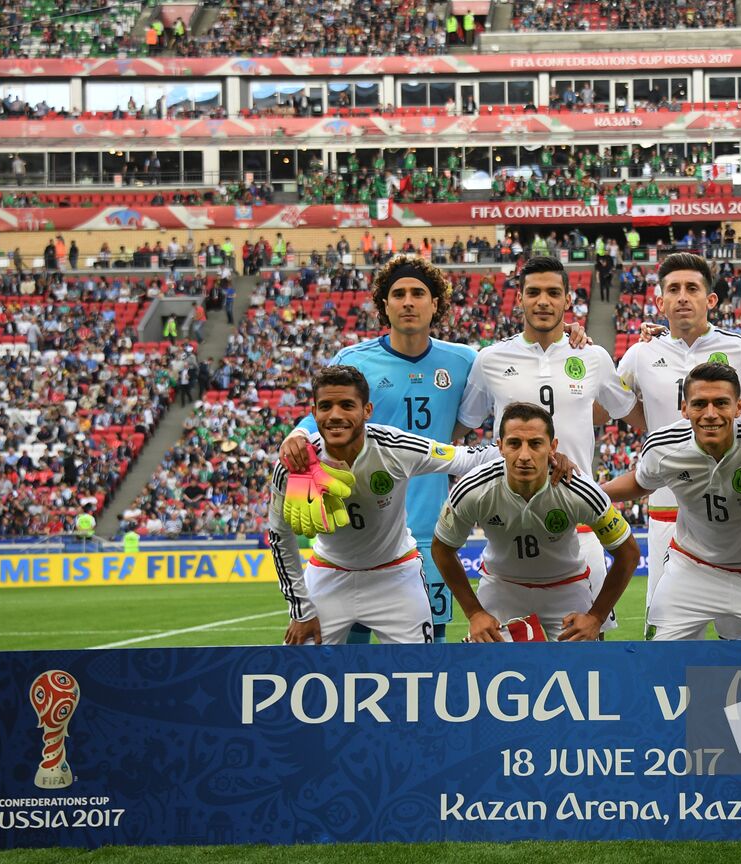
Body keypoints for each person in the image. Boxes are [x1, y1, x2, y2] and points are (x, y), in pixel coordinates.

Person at [279, 255, 478, 641]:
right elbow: (319, 418)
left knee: (425, 656)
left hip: (429, 534)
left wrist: (571, 335)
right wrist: (296, 435)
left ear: (435, 303)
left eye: (418, 293)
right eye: (398, 293)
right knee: (346, 661)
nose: (408, 301)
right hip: (360, 533)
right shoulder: (354, 361)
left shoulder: (464, 360)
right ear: (383, 304)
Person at [617, 252, 741, 636]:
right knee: (663, 638)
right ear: (659, 300)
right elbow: (611, 407)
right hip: (667, 511)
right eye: (673, 289)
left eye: (692, 288)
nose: (682, 297)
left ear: (710, 300)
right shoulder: (641, 352)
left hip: (739, 513)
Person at [267, 365, 495, 646]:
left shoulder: (393, 447)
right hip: (328, 575)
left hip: (395, 575)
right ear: (314, 414)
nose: (335, 415)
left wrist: (541, 452)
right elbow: (279, 537)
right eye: (325, 406)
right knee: (303, 675)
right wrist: (300, 610)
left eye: (347, 405)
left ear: (367, 410)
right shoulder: (295, 464)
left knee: (420, 673)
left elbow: (465, 458)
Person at [458, 256, 641, 597]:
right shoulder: (491, 359)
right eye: (534, 292)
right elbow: (460, 428)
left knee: (585, 643)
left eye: (554, 293)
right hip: (510, 524)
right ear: (520, 297)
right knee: (505, 645)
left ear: (568, 300)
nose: (543, 301)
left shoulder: (593, 357)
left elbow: (629, 414)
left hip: (581, 524)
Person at [603, 363, 741, 641]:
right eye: (700, 404)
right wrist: (592, 493)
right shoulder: (663, 445)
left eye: (721, 403)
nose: (710, 414)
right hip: (691, 568)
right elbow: (640, 482)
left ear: (739, 407)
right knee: (656, 661)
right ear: (685, 409)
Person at [434, 403, 640, 642]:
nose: (524, 456)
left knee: (580, 674)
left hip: (566, 588)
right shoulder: (473, 489)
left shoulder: (580, 490)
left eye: (535, 444)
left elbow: (629, 553)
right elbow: (442, 549)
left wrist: (596, 616)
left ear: (552, 447)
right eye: (514, 443)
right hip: (502, 587)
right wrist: (475, 613)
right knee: (489, 671)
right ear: (499, 446)